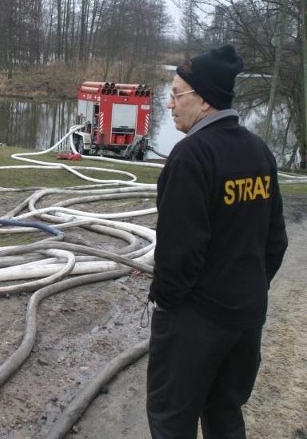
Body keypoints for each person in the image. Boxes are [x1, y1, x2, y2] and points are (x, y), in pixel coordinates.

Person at [146, 44, 288, 439]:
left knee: (171, 420)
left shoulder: (191, 157)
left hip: (196, 325)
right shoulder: (259, 152)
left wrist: (167, 303)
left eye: (177, 94)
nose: (170, 105)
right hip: (246, 319)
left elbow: (179, 254)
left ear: (204, 100)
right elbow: (276, 242)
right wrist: (248, 286)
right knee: (225, 416)